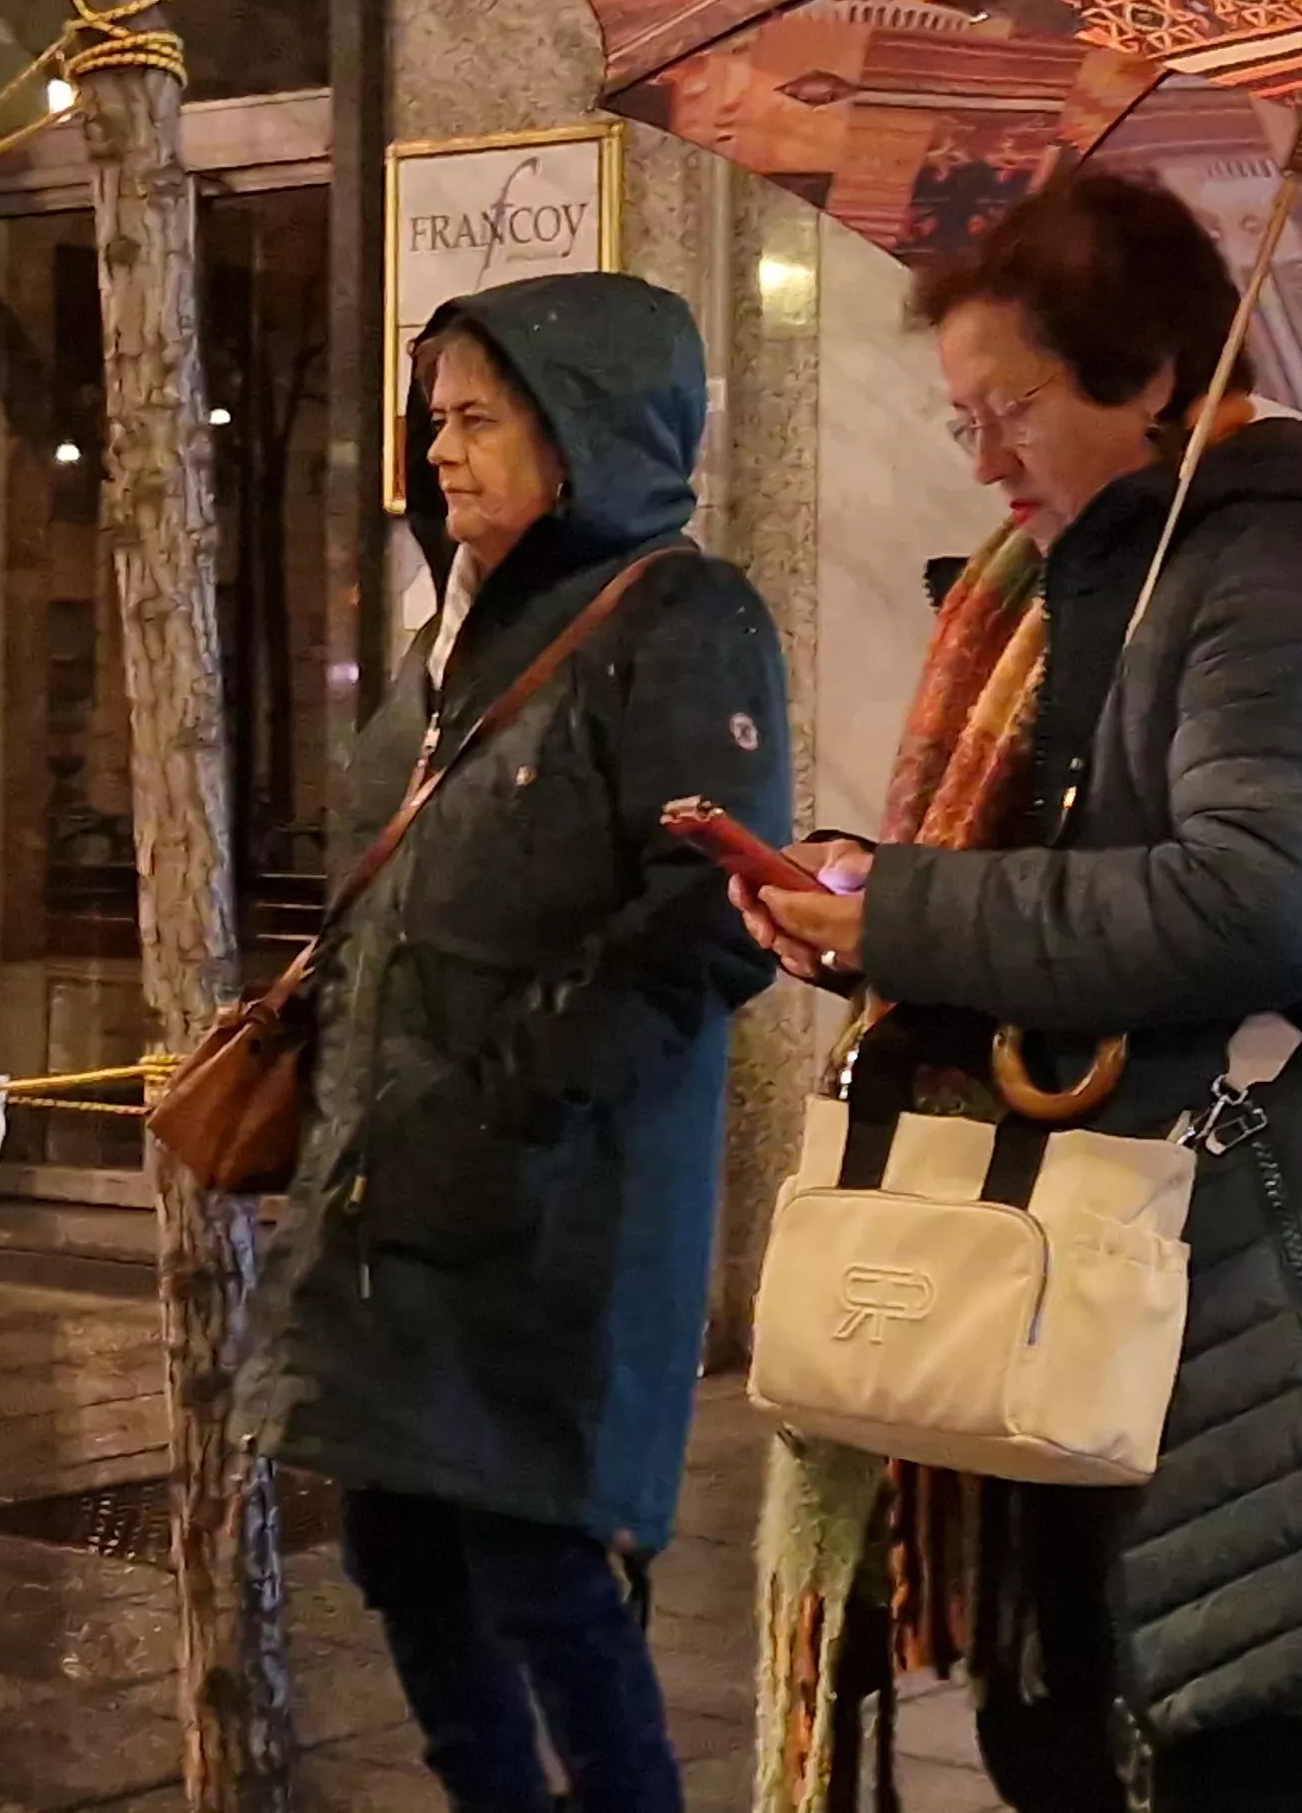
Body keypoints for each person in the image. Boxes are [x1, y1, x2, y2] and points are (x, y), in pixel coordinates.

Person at [734, 171, 1302, 1813]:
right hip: (1099, 1235)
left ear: (1154, 379)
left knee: (1226, 1757)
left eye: (1014, 409)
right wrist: (857, 895)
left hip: (1265, 1243)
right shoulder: (1089, 571)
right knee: (1056, 1731)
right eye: (963, 416)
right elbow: (1074, 846)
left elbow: (1258, 900)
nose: (981, 457)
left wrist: (908, 915)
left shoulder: (1281, 570)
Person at [253, 271, 790, 1813]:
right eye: (437, 418)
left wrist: (506, 1107)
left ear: (586, 427)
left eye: (479, 418)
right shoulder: (458, 633)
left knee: (541, 1563)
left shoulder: (681, 618)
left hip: (554, 1201)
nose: (440, 450)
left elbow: (708, 910)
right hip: (396, 1182)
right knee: (397, 1544)